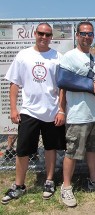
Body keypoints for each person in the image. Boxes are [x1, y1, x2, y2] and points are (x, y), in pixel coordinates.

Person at [1, 23, 66, 204]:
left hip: (52, 111)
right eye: (41, 34)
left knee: (50, 148)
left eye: (47, 35)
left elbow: (62, 88)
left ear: (51, 37)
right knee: (22, 150)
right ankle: (19, 185)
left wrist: (61, 110)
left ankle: (49, 181)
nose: (44, 37)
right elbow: (14, 84)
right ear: (35, 34)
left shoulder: (57, 57)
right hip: (29, 111)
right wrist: (14, 109)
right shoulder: (23, 55)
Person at [59, 21, 95, 208]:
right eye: (83, 33)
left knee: (93, 150)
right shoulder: (69, 57)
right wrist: (89, 87)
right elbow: (62, 81)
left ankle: (93, 180)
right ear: (77, 35)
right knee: (73, 152)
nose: (87, 37)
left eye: (90, 34)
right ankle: (66, 187)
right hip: (78, 114)